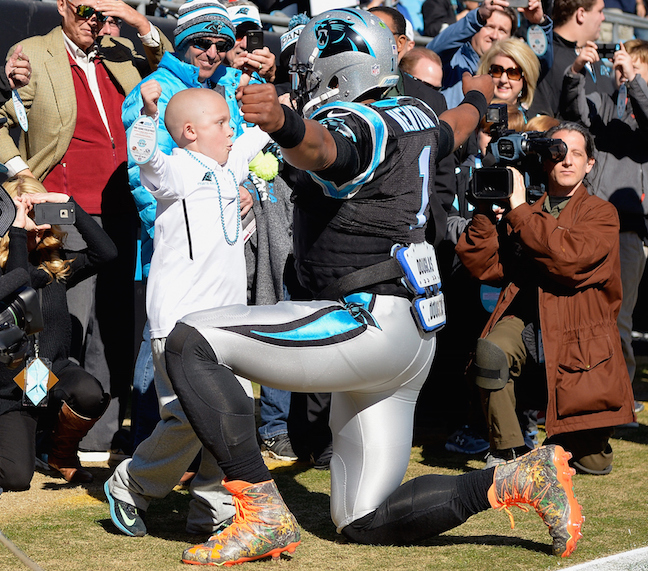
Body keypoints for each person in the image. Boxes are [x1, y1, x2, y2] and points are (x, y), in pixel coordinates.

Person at [163, 9, 582, 566]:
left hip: (365, 321)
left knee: (192, 341)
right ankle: (517, 479)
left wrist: (285, 126)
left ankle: (260, 513)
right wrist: (479, 101)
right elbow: (453, 127)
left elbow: (325, 148)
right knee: (363, 518)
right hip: (409, 336)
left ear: (332, 67)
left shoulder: (360, 121)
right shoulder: (413, 112)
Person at [0, 0, 171, 460]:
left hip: (124, 208)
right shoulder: (33, 51)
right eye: (86, 10)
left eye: (104, 14)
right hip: (60, 205)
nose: (95, 22)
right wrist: (22, 178)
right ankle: (35, 432)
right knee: (57, 327)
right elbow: (3, 120)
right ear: (62, 6)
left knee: (114, 324)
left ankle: (91, 436)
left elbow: (167, 60)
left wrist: (136, 22)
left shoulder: (119, 50)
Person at [104, 0, 246, 537]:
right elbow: (143, 158)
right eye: (222, 122)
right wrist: (146, 111)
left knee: (229, 414)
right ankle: (131, 485)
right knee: (188, 418)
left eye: (221, 45)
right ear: (188, 132)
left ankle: (213, 511)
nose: (231, 129)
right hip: (181, 320)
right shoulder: (178, 169)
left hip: (228, 317)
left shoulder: (226, 167)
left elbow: (269, 147)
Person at [456, 121, 636, 474]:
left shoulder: (602, 214)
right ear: (544, 161)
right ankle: (507, 454)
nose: (567, 161)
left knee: (590, 463)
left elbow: (567, 260)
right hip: (528, 320)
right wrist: (483, 213)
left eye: (577, 155)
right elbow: (485, 266)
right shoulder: (523, 209)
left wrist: (521, 211)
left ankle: (578, 440)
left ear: (590, 165)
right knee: (491, 350)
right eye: (558, 153)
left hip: (579, 336)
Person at [0, 175, 116, 490]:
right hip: (8, 390)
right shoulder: (5, 271)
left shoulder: (56, 266)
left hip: (51, 372)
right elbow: (21, 281)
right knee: (16, 478)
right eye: (27, 218)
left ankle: (60, 454)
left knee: (90, 393)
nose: (37, 227)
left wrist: (69, 208)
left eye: (41, 218)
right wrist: (17, 229)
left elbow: (107, 254)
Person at [560, 39, 648, 421]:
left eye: (636, 67)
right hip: (588, 223)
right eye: (621, 65)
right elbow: (573, 112)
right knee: (582, 314)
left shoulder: (641, 113)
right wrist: (576, 70)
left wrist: (636, 81)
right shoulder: (603, 104)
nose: (625, 72)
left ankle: (621, 399)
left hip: (629, 231)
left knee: (619, 318)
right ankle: (589, 394)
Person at [427, 0, 551, 109]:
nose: (494, 36)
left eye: (502, 30)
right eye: (489, 27)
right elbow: (432, 53)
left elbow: (539, 64)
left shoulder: (513, 69)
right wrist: (477, 17)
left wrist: (538, 24)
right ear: (477, 26)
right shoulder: (454, 60)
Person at [529, 0, 614, 117]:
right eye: (600, 11)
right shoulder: (547, 57)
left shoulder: (594, 56)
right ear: (581, 14)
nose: (603, 17)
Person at [476, 37, 541, 112]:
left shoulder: (533, 121)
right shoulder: (475, 116)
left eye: (513, 73)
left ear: (526, 78)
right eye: (496, 71)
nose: (503, 80)